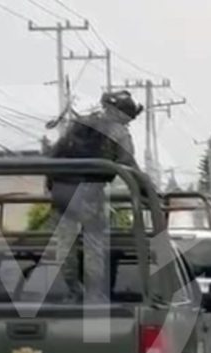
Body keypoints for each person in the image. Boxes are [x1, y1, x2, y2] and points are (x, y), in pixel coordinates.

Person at [47, 90, 144, 303]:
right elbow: (128, 162)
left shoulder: (80, 123)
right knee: (94, 245)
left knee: (63, 247)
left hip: (61, 191)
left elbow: (54, 153)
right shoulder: (119, 132)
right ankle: (93, 294)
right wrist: (146, 189)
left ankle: (73, 291)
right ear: (124, 114)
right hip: (89, 193)